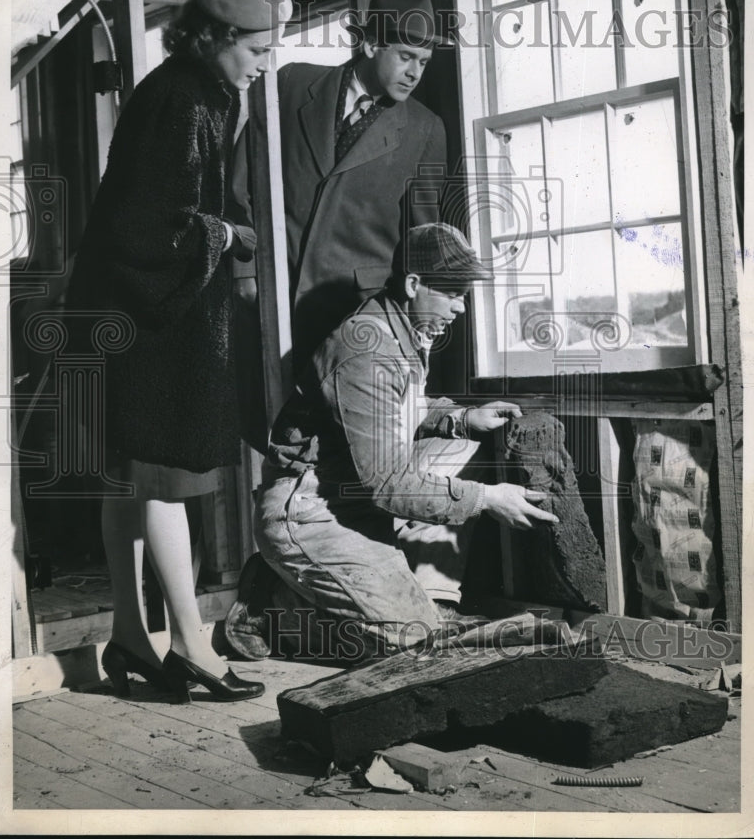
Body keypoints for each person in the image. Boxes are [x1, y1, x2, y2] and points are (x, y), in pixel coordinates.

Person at [65, 0, 292, 701]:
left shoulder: (193, 91)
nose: (265, 61)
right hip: (151, 322)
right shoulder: (183, 98)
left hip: (135, 313)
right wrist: (226, 233)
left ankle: (132, 637)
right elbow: (142, 226)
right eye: (258, 47)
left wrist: (222, 235)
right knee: (165, 478)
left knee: (135, 478)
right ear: (220, 36)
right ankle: (194, 644)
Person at [224, 223, 558, 662]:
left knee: (467, 443)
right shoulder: (367, 349)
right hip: (308, 511)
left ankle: (431, 600)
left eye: (464, 296)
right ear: (414, 284)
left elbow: (398, 412)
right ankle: (276, 608)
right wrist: (487, 499)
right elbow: (389, 485)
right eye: (452, 294)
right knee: (411, 643)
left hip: (354, 492)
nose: (460, 308)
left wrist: (459, 417)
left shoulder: (398, 327)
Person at [229, 0, 450, 385]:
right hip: (269, 299)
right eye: (405, 56)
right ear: (369, 45)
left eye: (425, 62)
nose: (416, 73)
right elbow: (239, 182)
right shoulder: (292, 84)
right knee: (263, 428)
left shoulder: (425, 129)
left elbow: (421, 241)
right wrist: (243, 271)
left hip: (354, 321)